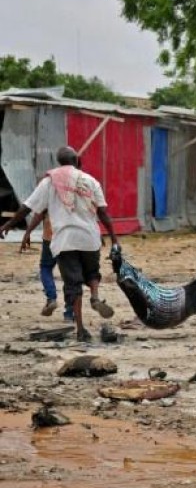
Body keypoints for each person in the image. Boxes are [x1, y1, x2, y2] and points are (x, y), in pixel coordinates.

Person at [0, 146, 117, 342]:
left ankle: (80, 329)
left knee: (73, 285)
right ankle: (95, 296)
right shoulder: (91, 181)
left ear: (59, 161)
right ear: (77, 160)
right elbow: (103, 213)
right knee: (92, 273)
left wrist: (8, 225)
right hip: (90, 238)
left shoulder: (50, 182)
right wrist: (114, 239)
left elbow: (27, 208)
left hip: (65, 240)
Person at [19, 209, 75, 321]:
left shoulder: (48, 191)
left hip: (50, 236)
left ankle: (51, 297)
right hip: (70, 237)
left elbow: (39, 213)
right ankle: (69, 313)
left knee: (46, 268)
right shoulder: (76, 191)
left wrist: (28, 232)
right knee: (70, 276)